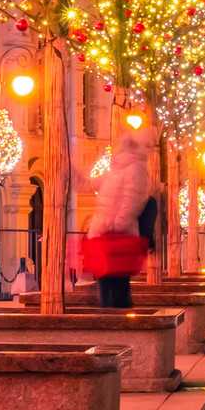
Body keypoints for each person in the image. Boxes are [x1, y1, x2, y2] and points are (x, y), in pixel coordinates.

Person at [86, 131, 155, 308]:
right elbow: (91, 184)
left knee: (116, 283)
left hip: (118, 233)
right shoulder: (116, 170)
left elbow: (133, 198)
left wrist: (118, 223)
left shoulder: (135, 169)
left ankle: (116, 319)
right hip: (105, 233)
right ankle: (112, 318)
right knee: (108, 281)